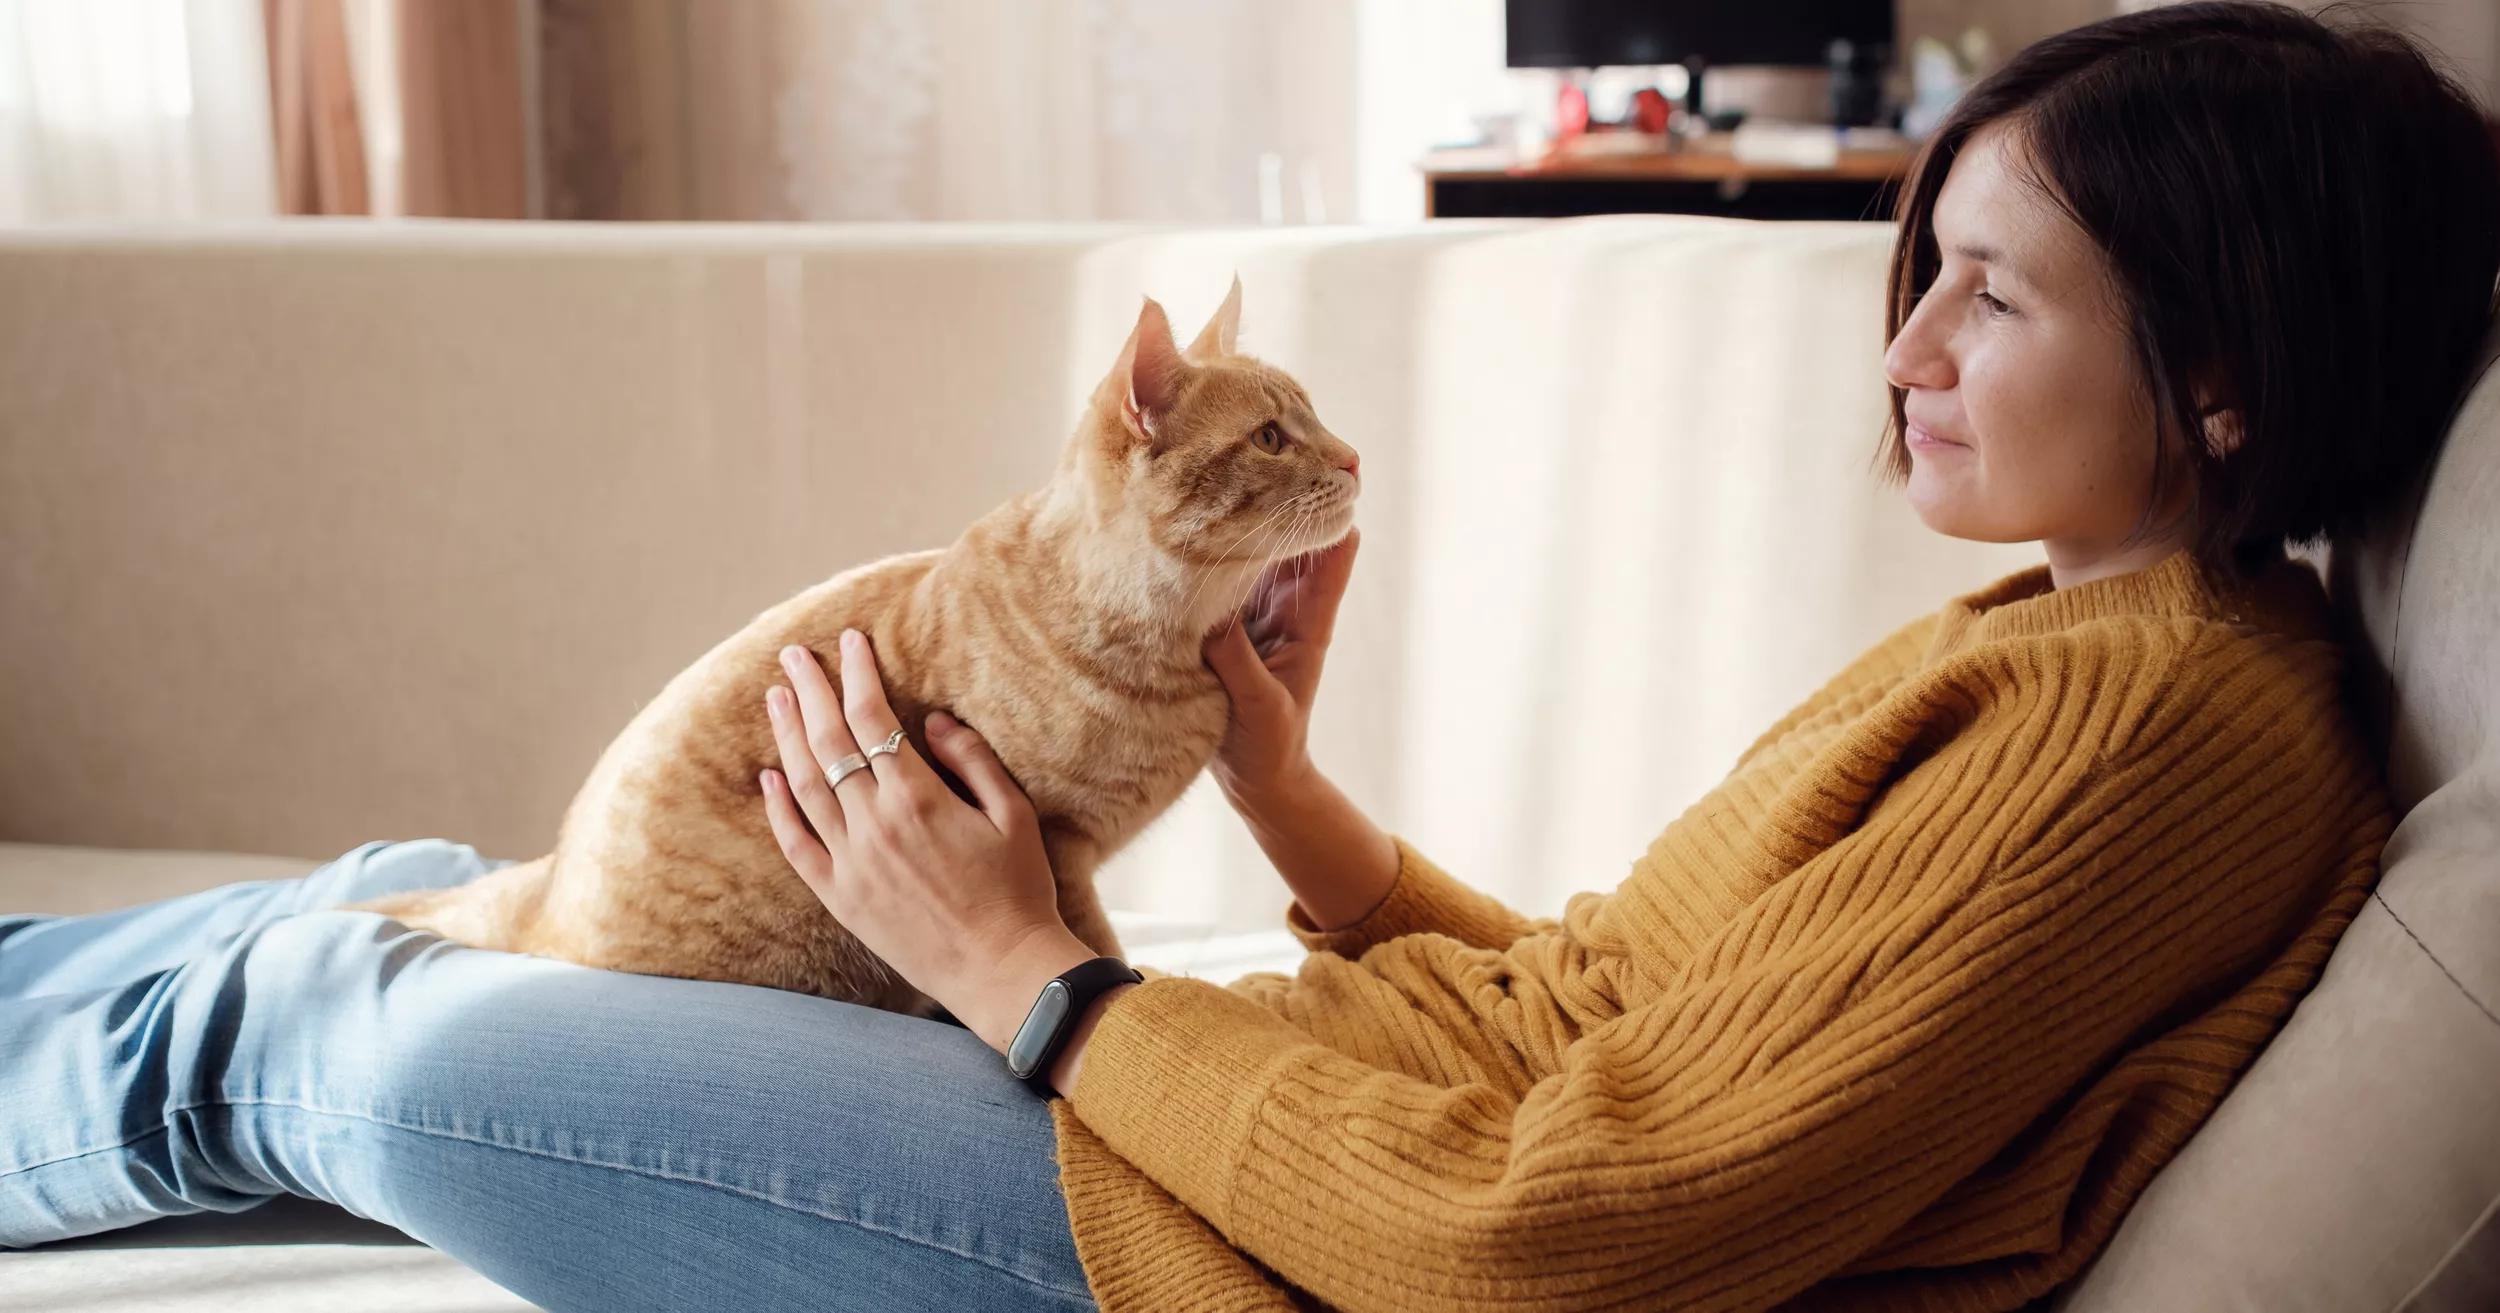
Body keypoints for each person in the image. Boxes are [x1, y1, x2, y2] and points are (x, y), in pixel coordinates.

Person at [6, 3, 2497, 1309]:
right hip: (1264, 1147)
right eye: (1918, 266)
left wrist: (1036, 985)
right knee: (458, 884)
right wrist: (1291, 803)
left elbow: (1574, 1233)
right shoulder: (2083, 637)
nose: (1905, 344)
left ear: (2224, 370)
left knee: (362, 1029)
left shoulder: (2165, 731)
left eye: (1989, 290)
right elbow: (1628, 1029)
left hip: (1215, 1249)